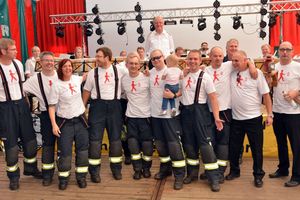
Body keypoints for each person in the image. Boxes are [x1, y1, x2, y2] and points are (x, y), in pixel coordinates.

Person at [226, 50, 273, 188]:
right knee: (234, 148)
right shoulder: (231, 72)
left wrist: (270, 114)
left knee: (256, 149)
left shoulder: (256, 74)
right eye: (233, 60)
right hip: (235, 119)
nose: (234, 63)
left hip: (253, 119)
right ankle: (234, 171)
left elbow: (266, 95)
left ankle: (258, 175)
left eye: (237, 60)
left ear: (245, 60)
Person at [0, 38, 41, 190]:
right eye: (13, 49)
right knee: (11, 145)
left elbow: (23, 86)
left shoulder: (17, 63)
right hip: (5, 108)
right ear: (4, 51)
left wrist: (27, 103)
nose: (16, 51)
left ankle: (31, 168)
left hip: (22, 105)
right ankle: (14, 177)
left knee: (30, 139)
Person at [180, 49, 223, 192]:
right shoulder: (183, 76)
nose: (192, 61)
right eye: (189, 59)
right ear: (186, 60)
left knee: (205, 146)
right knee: (189, 145)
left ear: (200, 61)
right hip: (185, 114)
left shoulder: (205, 77)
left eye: (195, 59)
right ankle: (192, 174)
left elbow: (213, 98)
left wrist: (217, 118)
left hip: (200, 113)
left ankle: (214, 178)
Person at [83, 47, 127, 182]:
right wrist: (82, 108)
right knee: (95, 141)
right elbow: (86, 91)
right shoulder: (92, 73)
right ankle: (94, 172)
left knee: (115, 140)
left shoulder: (120, 70)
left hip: (115, 107)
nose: (96, 59)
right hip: (97, 108)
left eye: (99, 56)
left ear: (107, 57)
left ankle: (116, 169)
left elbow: (133, 76)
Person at [48, 59, 89, 190]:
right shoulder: (56, 85)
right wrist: (54, 125)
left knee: (82, 151)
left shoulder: (77, 80)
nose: (68, 68)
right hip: (65, 123)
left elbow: (87, 75)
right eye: (65, 66)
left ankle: (81, 177)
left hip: (80, 121)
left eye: (70, 66)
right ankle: (63, 178)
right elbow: (52, 106)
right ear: (60, 69)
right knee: (65, 153)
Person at [149, 49, 186, 190]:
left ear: (163, 57)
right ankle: (165, 169)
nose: (156, 60)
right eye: (153, 59)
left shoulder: (173, 70)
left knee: (174, 145)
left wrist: (175, 96)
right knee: (160, 144)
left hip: (170, 115)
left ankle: (179, 175)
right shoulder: (150, 73)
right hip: (155, 114)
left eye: (158, 57)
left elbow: (183, 90)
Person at [23, 51, 58, 186]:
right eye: (46, 60)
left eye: (51, 60)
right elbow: (21, 90)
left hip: (62, 116)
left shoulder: (60, 75)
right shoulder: (34, 79)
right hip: (45, 116)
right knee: (48, 145)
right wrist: (28, 105)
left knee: (63, 146)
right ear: (41, 63)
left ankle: (63, 172)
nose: (49, 63)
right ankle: (47, 175)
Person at [269, 41, 300, 187]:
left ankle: (297, 175)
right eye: (282, 49)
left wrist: (297, 92)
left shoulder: (298, 66)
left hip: (294, 112)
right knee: (281, 143)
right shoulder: (274, 66)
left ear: (292, 51)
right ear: (278, 51)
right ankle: (283, 169)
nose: (285, 52)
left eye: (288, 49)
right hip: (278, 110)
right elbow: (271, 85)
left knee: (296, 145)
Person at [121, 52, 153, 180]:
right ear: (127, 64)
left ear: (139, 64)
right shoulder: (123, 79)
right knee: (133, 145)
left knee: (147, 145)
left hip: (146, 116)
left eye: (136, 63)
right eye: (131, 63)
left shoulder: (147, 77)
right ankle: (137, 170)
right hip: (131, 117)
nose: (133, 66)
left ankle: (146, 168)